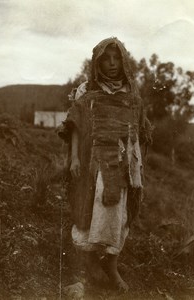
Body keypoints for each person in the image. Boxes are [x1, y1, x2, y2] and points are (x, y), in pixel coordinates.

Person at [58, 37, 152, 292]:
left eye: (116, 58)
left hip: (123, 167)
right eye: (106, 59)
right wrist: (75, 158)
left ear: (124, 61)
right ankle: (88, 264)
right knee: (92, 209)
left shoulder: (131, 93)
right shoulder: (87, 91)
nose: (112, 64)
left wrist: (136, 166)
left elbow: (140, 132)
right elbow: (75, 126)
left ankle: (111, 265)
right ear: (97, 63)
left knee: (119, 216)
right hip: (95, 165)